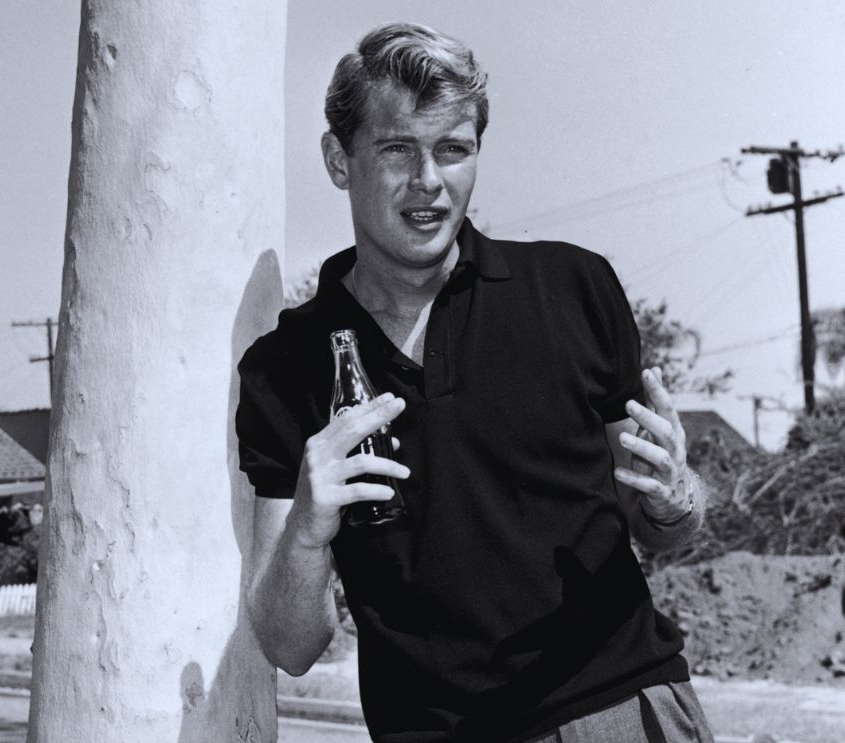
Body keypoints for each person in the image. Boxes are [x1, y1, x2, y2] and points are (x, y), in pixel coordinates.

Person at [236, 23, 715, 743]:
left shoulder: (571, 286)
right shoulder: (286, 366)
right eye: (397, 149)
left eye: (452, 149)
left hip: (616, 709)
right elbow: (291, 646)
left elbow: (660, 527)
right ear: (339, 160)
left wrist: (676, 496)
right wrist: (307, 526)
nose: (427, 181)